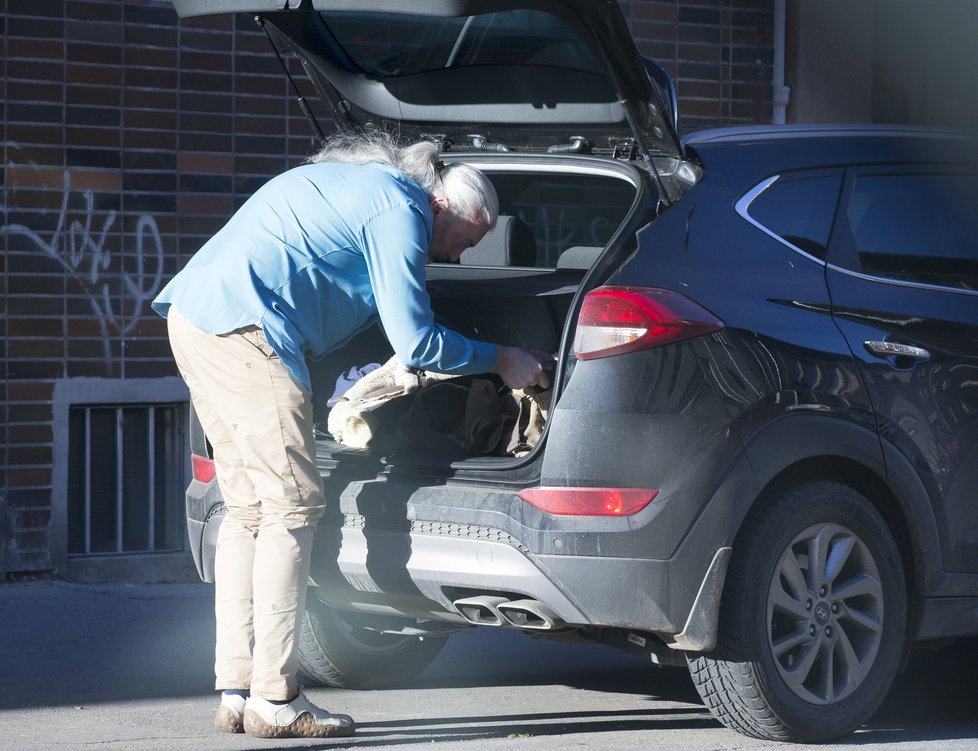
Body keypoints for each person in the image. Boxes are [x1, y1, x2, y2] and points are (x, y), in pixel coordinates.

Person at [152, 132, 549, 739]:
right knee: (290, 507)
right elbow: (416, 342)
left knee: (247, 511)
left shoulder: (353, 185)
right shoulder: (401, 207)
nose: (459, 258)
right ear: (442, 206)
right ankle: (276, 699)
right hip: (247, 329)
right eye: (462, 243)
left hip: (196, 318)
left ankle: (236, 689)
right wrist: (503, 360)